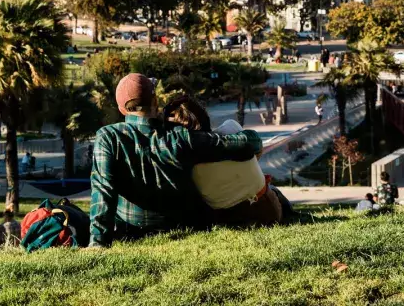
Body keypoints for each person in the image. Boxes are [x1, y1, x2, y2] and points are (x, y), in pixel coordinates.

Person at [88, 73, 264, 248]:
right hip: (182, 227)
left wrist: (98, 243)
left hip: (131, 229)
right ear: (155, 101)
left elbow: (103, 191)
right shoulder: (179, 137)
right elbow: (248, 143)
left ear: (122, 110)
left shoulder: (108, 137)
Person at [162, 94, 291, 228]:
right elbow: (257, 151)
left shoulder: (181, 161)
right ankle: (291, 212)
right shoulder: (231, 128)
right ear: (204, 116)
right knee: (272, 189)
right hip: (267, 212)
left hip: (226, 219)